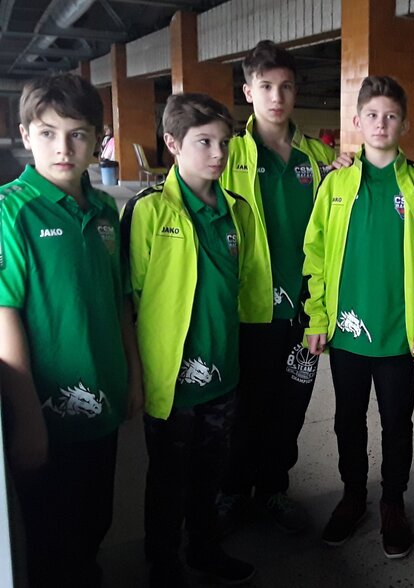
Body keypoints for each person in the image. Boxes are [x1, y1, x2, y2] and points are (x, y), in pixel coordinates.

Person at [121, 93, 269, 587]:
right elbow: (130, 298)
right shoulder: (148, 211)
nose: (218, 153)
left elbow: (247, 287)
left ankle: (205, 549)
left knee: (210, 473)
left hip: (222, 373)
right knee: (168, 477)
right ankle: (163, 562)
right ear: (172, 143)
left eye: (224, 142)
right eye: (204, 142)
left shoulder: (238, 212)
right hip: (172, 381)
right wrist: (136, 375)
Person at [0, 72, 141, 588]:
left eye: (78, 134)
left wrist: (133, 374)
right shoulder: (11, 212)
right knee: (50, 535)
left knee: (96, 517)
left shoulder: (104, 209)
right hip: (47, 410)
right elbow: (4, 316)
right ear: (25, 134)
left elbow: (120, 300)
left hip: (103, 396)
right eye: (47, 133)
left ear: (98, 139)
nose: (63, 148)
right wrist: (27, 417)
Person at [302, 75, 414, 559]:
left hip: (397, 335)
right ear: (357, 121)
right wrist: (316, 317)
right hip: (346, 332)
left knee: (397, 424)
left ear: (404, 124)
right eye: (372, 115)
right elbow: (315, 255)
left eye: (390, 116)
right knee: (348, 421)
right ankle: (353, 497)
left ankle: (392, 502)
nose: (381, 124)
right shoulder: (335, 184)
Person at [218, 39, 336, 534]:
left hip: (304, 311)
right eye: (265, 86)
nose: (276, 97)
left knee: (290, 407)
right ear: (248, 91)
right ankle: (231, 491)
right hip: (250, 310)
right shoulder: (229, 155)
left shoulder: (319, 158)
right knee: (244, 407)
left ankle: (273, 489)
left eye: (286, 86)